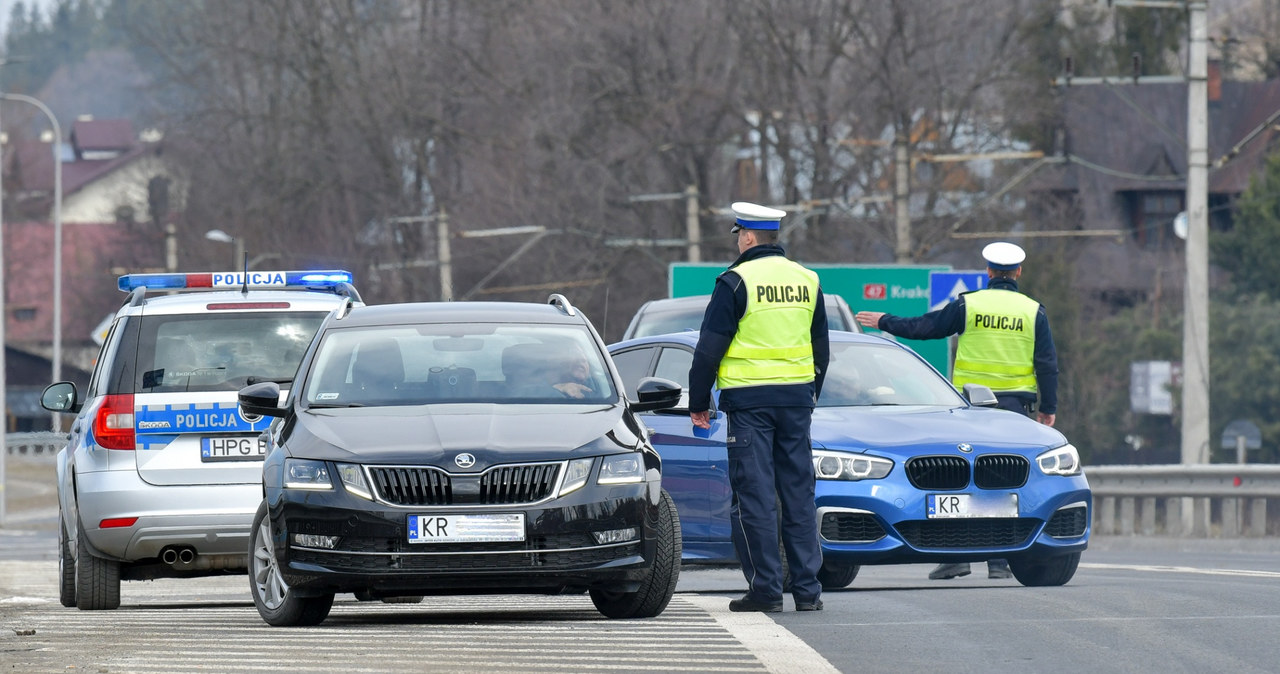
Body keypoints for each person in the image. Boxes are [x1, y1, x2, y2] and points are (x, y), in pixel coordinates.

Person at [854, 241, 1058, 581]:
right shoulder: (1032, 310)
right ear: (1018, 272)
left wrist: (884, 321)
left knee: (960, 484)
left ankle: (956, 557)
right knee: (1000, 483)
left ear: (989, 272)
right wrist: (1047, 409)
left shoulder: (969, 304)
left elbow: (925, 328)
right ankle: (998, 561)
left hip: (971, 407)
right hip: (1013, 409)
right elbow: (1047, 364)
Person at [688, 201, 830, 612]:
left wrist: (699, 401)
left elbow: (708, 349)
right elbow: (821, 348)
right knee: (799, 495)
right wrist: (810, 394)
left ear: (747, 237)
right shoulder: (808, 280)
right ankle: (808, 592)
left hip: (750, 406)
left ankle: (766, 591)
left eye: (738, 235)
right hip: (797, 402)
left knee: (756, 497)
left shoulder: (735, 281)